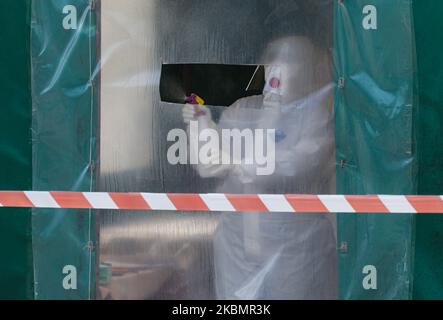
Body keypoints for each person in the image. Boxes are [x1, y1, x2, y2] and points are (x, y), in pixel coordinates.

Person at [182, 36, 337, 299]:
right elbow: (209, 165)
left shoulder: (313, 116)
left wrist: (245, 162)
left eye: (291, 61)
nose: (279, 67)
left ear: (307, 69)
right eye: (274, 58)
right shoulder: (242, 110)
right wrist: (200, 125)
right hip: (236, 241)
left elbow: (300, 163)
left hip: (293, 244)